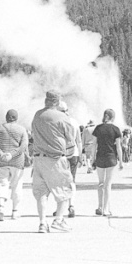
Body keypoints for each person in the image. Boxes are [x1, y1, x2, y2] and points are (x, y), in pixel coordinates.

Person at [30, 90, 78, 233]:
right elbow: (70, 140)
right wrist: (69, 157)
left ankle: (42, 223)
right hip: (56, 158)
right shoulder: (62, 117)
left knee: (41, 192)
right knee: (65, 189)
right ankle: (58, 220)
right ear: (57, 102)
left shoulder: (37, 115)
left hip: (38, 159)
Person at [0, 109, 28, 221]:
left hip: (1, 161)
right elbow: (24, 145)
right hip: (17, 161)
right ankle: (15, 211)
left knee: (1, 184)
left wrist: (1, 153)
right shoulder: (22, 130)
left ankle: (1, 208)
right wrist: (12, 154)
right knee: (17, 185)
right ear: (16, 118)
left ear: (6, 117)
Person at [92, 108, 124, 216]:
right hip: (111, 157)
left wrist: (92, 158)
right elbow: (118, 147)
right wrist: (121, 161)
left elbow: (94, 145)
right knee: (108, 184)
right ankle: (106, 209)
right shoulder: (115, 129)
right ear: (113, 117)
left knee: (100, 183)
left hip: (100, 157)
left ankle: (99, 207)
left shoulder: (98, 128)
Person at [59, 100, 82, 218]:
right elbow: (78, 140)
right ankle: (71, 205)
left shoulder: (57, 122)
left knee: (61, 181)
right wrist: (81, 156)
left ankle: (60, 208)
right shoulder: (74, 122)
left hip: (61, 154)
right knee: (72, 180)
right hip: (74, 154)